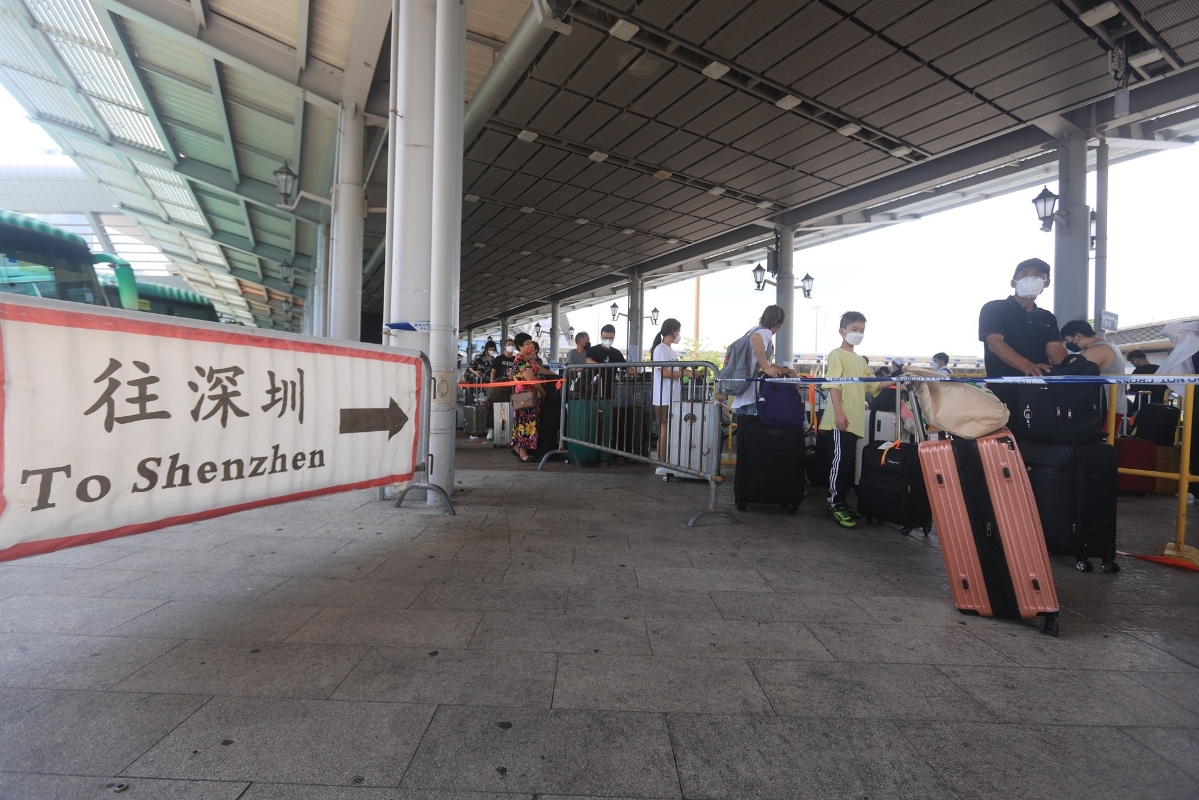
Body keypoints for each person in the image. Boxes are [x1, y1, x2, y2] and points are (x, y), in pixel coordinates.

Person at [819, 311, 887, 529]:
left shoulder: (860, 361)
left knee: (847, 465)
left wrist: (898, 379)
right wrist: (839, 412)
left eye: (862, 331)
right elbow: (833, 385)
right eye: (854, 329)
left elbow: (872, 385)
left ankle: (841, 501)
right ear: (842, 331)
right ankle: (834, 503)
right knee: (839, 464)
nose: (858, 334)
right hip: (840, 420)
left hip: (853, 422)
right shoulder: (836, 354)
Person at [978, 258, 1067, 411]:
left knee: (1040, 426)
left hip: (1039, 393)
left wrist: (1072, 368)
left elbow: (1054, 348)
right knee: (1004, 426)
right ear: (1013, 282)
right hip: (1002, 391)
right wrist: (1029, 367)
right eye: (1025, 274)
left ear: (1046, 283)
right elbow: (995, 344)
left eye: (1037, 275)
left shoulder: (1047, 317)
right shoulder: (993, 308)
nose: (1031, 279)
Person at [730, 304, 794, 419]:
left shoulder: (752, 330)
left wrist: (787, 371)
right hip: (752, 395)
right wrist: (766, 367)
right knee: (754, 427)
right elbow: (756, 339)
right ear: (779, 324)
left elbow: (761, 362)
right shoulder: (765, 333)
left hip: (741, 394)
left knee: (744, 428)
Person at [1061, 319, 1127, 427]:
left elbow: (1072, 370)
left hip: (1105, 408)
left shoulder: (1100, 349)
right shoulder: (1108, 346)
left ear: (1078, 336)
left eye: (1068, 341)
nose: (1069, 345)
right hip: (1111, 405)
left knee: (1100, 437)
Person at [651, 318, 694, 473]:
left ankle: (667, 462)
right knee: (664, 430)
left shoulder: (669, 350)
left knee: (669, 430)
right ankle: (661, 464)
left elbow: (673, 371)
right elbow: (665, 373)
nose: (679, 334)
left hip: (672, 396)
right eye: (678, 331)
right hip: (663, 396)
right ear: (673, 331)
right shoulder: (660, 349)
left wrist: (687, 372)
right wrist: (685, 373)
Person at [507, 333, 541, 463]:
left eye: (531, 342)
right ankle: (523, 453)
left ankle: (517, 447)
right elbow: (531, 378)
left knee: (526, 422)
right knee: (524, 423)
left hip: (531, 396)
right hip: (524, 397)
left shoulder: (530, 358)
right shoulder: (520, 359)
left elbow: (539, 370)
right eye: (527, 343)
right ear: (519, 346)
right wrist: (543, 391)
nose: (530, 345)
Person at [586, 324, 628, 400]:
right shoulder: (593, 350)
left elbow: (626, 367)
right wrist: (599, 365)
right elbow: (588, 360)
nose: (608, 340)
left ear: (614, 337)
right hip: (593, 387)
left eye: (611, 338)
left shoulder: (616, 353)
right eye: (605, 338)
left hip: (609, 387)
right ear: (601, 337)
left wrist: (637, 372)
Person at [485, 338, 516, 441]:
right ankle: (491, 429)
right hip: (498, 387)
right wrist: (492, 384)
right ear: (504, 347)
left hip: (511, 388)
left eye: (512, 344)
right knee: (494, 407)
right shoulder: (498, 359)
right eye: (509, 344)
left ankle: (507, 431)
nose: (510, 346)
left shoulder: (516, 360)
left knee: (509, 408)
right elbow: (493, 371)